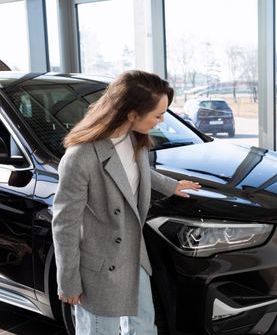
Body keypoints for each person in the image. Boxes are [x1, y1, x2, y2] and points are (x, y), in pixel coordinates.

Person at [52, 70, 201, 335]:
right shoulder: (80, 157)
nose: (161, 121)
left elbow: (135, 170)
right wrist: (68, 281)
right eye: (157, 115)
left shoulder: (135, 139)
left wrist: (171, 185)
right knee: (100, 331)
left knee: (144, 327)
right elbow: (65, 224)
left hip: (133, 252)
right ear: (132, 113)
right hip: (99, 264)